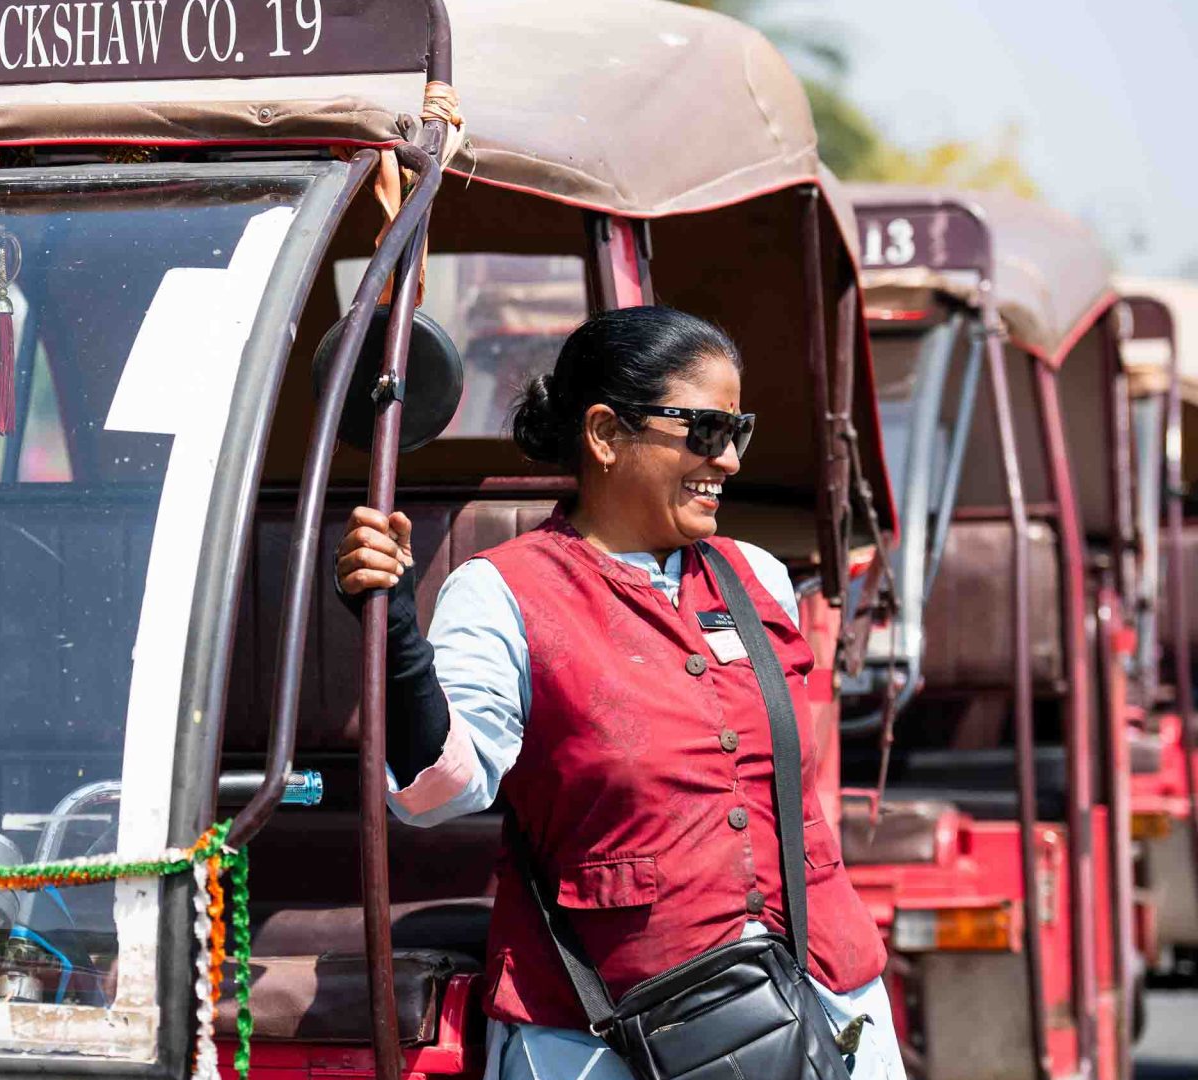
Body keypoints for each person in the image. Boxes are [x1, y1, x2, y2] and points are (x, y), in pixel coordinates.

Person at [334, 306, 907, 1080]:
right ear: (606, 435)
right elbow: (437, 792)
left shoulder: (758, 575)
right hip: (607, 1036)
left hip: (824, 1002)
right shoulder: (503, 589)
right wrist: (398, 631)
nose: (729, 460)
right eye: (705, 430)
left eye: (738, 431)